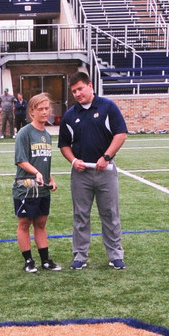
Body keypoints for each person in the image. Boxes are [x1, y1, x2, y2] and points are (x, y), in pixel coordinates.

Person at [58, 71, 128, 271]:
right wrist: (74, 161)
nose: (77, 94)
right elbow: (64, 145)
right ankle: (80, 256)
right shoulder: (70, 115)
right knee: (80, 215)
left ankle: (115, 255)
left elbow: (121, 134)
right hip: (81, 174)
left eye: (80, 89)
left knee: (110, 214)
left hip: (106, 171)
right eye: (74, 91)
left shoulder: (108, 107)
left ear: (90, 86)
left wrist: (106, 157)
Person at [13, 93, 60, 273]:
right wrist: (37, 173)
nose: (44, 112)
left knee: (41, 223)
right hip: (26, 188)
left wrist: (50, 178)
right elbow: (21, 160)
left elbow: (43, 161)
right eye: (40, 109)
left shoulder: (47, 135)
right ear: (31, 111)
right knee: (24, 224)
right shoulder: (24, 133)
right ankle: (28, 261)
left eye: (47, 108)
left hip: (42, 188)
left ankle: (45, 260)